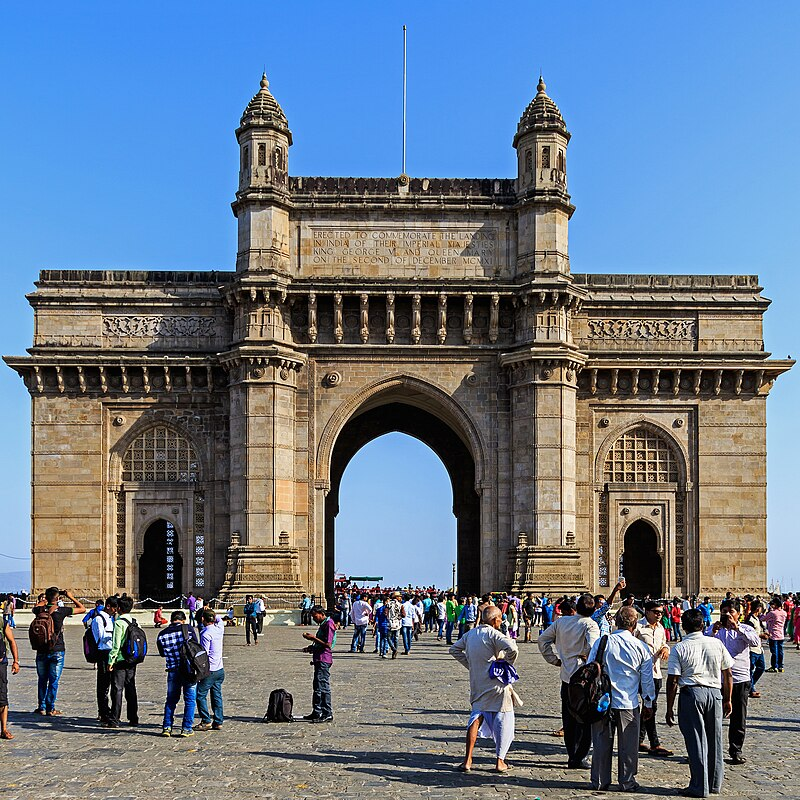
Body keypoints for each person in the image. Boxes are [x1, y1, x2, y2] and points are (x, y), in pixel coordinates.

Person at [665, 608, 734, 798]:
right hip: (715, 694)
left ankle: (699, 786)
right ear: (703, 624)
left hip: (692, 694)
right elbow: (727, 673)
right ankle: (713, 783)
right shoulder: (716, 643)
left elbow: (672, 681)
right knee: (715, 739)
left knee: (696, 742)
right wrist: (727, 699)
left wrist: (669, 707)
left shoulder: (679, 648)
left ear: (683, 627)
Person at [587, 606, 656, 792]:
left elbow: (589, 668)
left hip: (603, 702)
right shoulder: (640, 647)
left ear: (616, 621)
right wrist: (648, 703)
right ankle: (627, 781)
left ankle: (600, 781)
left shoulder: (602, 642)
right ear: (634, 625)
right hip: (628, 702)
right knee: (628, 746)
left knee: (601, 743)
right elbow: (647, 680)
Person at [449, 605, 520, 772]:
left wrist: (471, 665)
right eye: (501, 619)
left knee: (476, 716)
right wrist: (504, 664)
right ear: (495, 620)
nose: (502, 621)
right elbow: (513, 648)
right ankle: (500, 761)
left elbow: (454, 649)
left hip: (478, 682)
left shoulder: (470, 634)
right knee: (504, 719)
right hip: (496, 684)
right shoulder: (494, 634)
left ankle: (467, 760)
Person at [538, 594, 600, 769]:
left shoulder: (561, 622)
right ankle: (580, 756)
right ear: (593, 610)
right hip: (584, 680)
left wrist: (554, 659)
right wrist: (587, 656)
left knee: (569, 718)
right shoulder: (590, 625)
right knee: (585, 719)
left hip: (566, 677)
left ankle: (572, 754)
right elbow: (594, 648)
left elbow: (543, 639)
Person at [32, 586, 86, 716]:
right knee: (53, 680)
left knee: (42, 679)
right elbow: (82, 609)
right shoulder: (61, 611)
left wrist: (45, 599)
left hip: (41, 650)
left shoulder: (39, 610)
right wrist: (70, 596)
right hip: (57, 649)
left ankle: (41, 707)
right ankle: (51, 709)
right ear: (58, 598)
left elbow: (36, 606)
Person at [635, 601, 673, 757]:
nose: (659, 615)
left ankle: (638, 740)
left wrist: (665, 648)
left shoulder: (660, 628)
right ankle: (654, 744)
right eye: (656, 612)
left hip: (656, 673)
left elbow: (664, 643)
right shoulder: (637, 627)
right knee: (650, 706)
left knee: (649, 706)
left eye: (661, 613)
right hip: (641, 674)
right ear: (646, 611)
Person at [156, 610, 199, 737]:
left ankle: (167, 727)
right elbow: (196, 646)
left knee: (170, 700)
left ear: (171, 620)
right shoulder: (188, 629)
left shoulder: (161, 634)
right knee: (190, 699)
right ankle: (186, 728)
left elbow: (162, 653)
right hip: (188, 670)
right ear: (183, 620)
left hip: (173, 670)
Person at [106, 594, 139, 728]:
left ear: (118, 608)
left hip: (120, 660)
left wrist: (110, 661)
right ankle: (133, 718)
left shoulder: (119, 623)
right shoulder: (134, 622)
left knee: (117, 689)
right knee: (130, 688)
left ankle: (115, 719)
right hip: (132, 660)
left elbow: (116, 645)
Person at [301, 605, 336, 723]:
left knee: (323, 686)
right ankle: (317, 711)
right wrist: (311, 648)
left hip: (324, 659)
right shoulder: (322, 625)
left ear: (321, 613)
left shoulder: (329, 624)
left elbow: (328, 644)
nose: (314, 619)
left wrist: (312, 638)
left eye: (315, 616)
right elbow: (321, 644)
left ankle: (327, 712)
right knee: (317, 687)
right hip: (318, 657)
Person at [195, 607, 225, 731]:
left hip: (210, 669)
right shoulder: (219, 629)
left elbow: (204, 653)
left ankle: (206, 720)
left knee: (200, 695)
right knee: (216, 694)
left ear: (202, 619)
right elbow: (220, 620)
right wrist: (212, 612)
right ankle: (218, 721)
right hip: (220, 668)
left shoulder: (206, 633)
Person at [91, 595, 117, 725]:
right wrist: (113, 636)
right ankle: (103, 712)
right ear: (108, 606)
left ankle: (109, 711)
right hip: (103, 653)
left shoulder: (111, 618)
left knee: (112, 683)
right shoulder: (98, 619)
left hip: (111, 653)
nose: (116, 611)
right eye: (114, 608)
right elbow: (100, 638)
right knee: (103, 685)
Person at [1, 611, 20, 739]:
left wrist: (16, 661)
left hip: (1, 664)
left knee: (2, 697)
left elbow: (12, 641)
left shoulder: (2, 622)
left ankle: (4, 729)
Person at [743, 601, 768, 698]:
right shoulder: (749, 619)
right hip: (752, 649)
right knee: (750, 669)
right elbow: (748, 634)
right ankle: (751, 689)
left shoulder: (757, 619)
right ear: (758, 608)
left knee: (761, 668)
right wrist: (760, 635)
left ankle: (749, 686)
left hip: (759, 649)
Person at [764, 598, 787, 673]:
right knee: (780, 651)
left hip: (773, 634)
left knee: (774, 651)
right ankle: (780, 666)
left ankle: (774, 666)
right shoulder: (784, 613)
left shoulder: (772, 613)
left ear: (776, 604)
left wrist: (762, 614)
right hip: (781, 634)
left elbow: (763, 619)